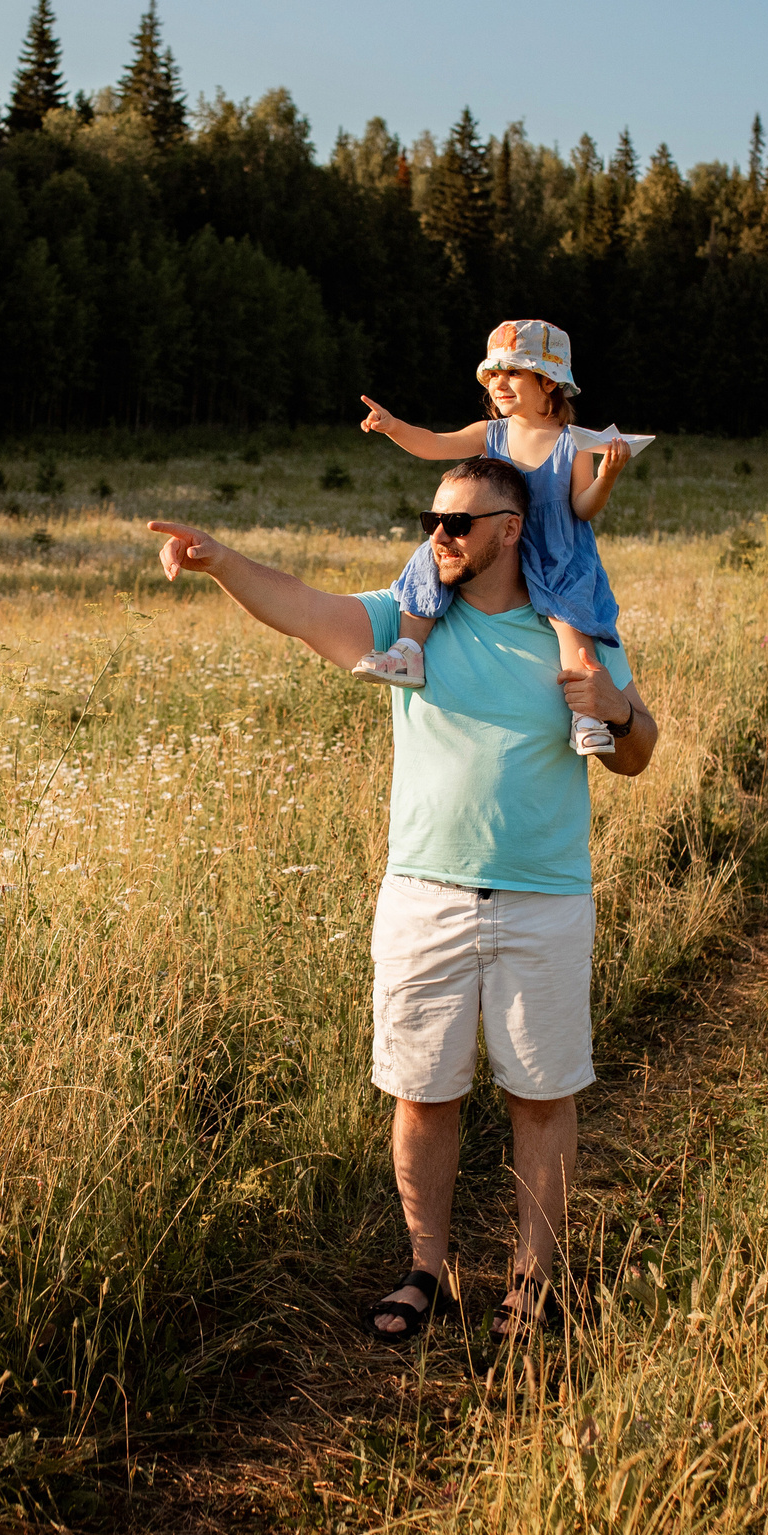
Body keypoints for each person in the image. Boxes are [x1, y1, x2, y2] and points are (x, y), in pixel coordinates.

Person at [147, 454, 658, 1343]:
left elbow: (638, 751)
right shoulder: (408, 625)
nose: (439, 534)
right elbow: (306, 609)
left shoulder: (573, 628)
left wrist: (614, 708)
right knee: (422, 1093)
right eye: (432, 518)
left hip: (543, 899)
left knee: (540, 1097)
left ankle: (534, 1282)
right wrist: (221, 560)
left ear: (510, 527)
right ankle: (427, 1268)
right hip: (426, 897)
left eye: (459, 521)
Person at [352, 319, 637, 757]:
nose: (498, 385)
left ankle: (586, 715)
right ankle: (409, 650)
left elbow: (583, 508)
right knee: (430, 563)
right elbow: (433, 443)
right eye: (493, 376)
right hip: (492, 545)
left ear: (548, 382)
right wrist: (394, 426)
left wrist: (608, 476)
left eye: (513, 373)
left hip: (556, 552)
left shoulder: (573, 443)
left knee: (571, 621)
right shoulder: (491, 434)